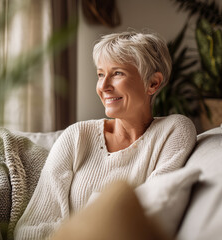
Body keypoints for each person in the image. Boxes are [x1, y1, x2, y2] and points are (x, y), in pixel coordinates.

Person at [14, 31, 197, 240]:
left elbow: (151, 210)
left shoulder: (173, 131)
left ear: (153, 83)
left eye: (117, 73)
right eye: (101, 74)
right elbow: (32, 227)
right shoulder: (77, 136)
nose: (103, 86)